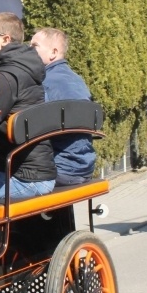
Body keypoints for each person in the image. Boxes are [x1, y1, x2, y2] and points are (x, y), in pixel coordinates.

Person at [0, 13, 56, 201]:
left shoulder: (7, 76)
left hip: (26, 178)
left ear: (6, 39)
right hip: (29, 172)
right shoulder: (19, 68)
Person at [30, 27, 96, 185]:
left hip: (58, 169)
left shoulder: (44, 83)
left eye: (34, 46)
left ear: (53, 52)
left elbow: (30, 129)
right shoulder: (78, 81)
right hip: (84, 167)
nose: (28, 49)